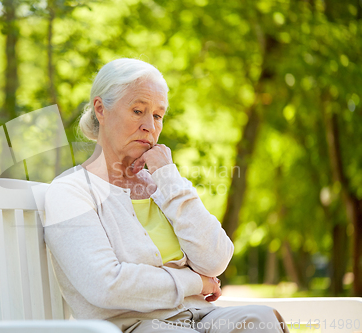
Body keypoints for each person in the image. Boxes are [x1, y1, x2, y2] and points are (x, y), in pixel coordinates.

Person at [43, 58, 289, 332]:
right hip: (136, 326)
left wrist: (168, 177)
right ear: (101, 109)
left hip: (201, 316)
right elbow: (107, 285)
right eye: (138, 110)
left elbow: (216, 259)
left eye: (158, 115)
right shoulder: (70, 192)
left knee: (262, 319)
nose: (150, 126)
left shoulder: (163, 182)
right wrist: (196, 282)